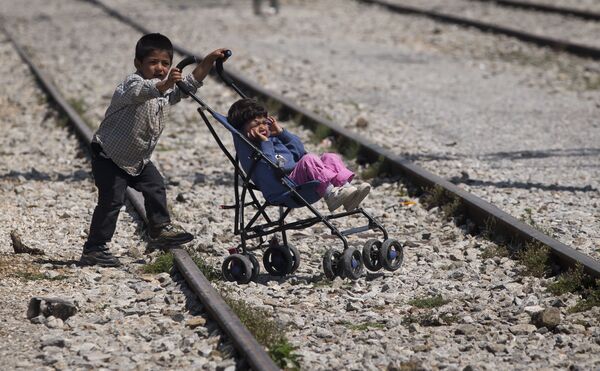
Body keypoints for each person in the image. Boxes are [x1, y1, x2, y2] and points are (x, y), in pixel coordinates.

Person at [81, 33, 229, 267]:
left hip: (138, 159)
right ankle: (94, 248)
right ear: (138, 64)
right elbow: (145, 91)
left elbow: (190, 84)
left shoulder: (166, 90)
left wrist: (208, 61)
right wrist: (167, 83)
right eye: (153, 63)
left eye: (165, 63)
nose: (160, 68)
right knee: (111, 201)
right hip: (109, 155)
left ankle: (159, 229)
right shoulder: (131, 84)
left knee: (155, 186)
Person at [227, 98, 370, 211]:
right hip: (285, 188)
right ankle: (331, 195)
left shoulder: (272, 138)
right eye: (255, 124)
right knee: (309, 159)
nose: (262, 127)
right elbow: (274, 167)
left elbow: (299, 151)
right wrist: (265, 142)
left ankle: (345, 190)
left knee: (329, 156)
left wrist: (283, 134)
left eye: (264, 123)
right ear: (242, 129)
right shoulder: (255, 149)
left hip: (297, 181)